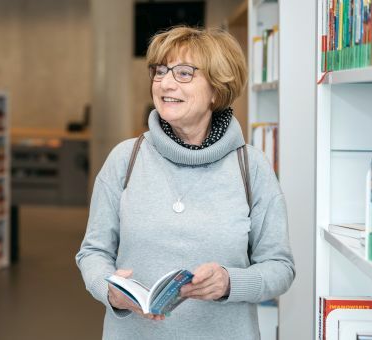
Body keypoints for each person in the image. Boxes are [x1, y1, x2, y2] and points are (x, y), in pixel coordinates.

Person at [75, 26, 295, 339]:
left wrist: (229, 282)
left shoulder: (252, 167)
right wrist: (108, 290)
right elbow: (93, 252)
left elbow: (279, 268)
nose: (165, 83)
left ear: (217, 89)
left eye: (183, 73)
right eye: (160, 71)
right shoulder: (125, 159)